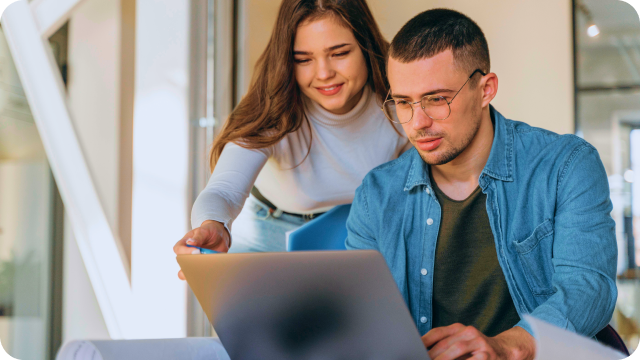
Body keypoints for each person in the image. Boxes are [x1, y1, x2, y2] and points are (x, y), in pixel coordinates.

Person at [346, 8, 617, 360]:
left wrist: (505, 347)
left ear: (485, 89)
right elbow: (363, 319)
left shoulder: (566, 165)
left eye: (436, 99)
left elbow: (588, 289)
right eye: (403, 102)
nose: (418, 122)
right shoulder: (375, 196)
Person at [174, 0, 410, 277]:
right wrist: (212, 225)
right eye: (303, 59)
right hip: (265, 235)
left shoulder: (403, 103)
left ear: (365, 46)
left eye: (340, 53)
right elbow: (223, 191)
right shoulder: (276, 109)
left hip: (357, 234)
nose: (323, 73)